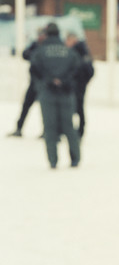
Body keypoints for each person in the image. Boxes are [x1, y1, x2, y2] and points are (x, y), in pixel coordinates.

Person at [27, 22, 81, 169]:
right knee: (69, 127)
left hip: (47, 92)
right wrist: (65, 81)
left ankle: (53, 160)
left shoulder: (40, 51)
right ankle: (75, 158)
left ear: (46, 34)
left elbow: (34, 69)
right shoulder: (69, 51)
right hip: (66, 92)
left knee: (49, 128)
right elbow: (77, 69)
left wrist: (48, 81)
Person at [7, 38, 40, 137]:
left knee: (48, 110)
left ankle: (48, 131)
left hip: (45, 84)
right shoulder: (36, 44)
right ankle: (19, 128)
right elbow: (25, 54)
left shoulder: (48, 47)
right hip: (34, 83)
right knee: (26, 106)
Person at [65, 31, 93, 137]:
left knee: (78, 107)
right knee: (73, 107)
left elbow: (88, 69)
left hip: (78, 84)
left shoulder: (80, 51)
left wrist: (82, 81)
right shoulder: (76, 51)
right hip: (74, 83)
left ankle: (80, 130)